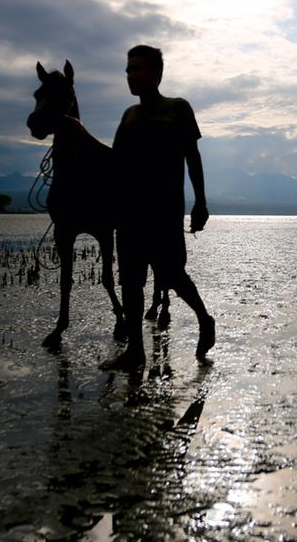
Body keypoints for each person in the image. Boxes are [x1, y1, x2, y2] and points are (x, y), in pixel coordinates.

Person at [100, 44, 215, 370]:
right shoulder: (129, 115)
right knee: (131, 282)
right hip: (129, 211)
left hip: (163, 211)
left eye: (136, 68)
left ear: (156, 73)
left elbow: (192, 158)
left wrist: (201, 202)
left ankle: (205, 320)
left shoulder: (177, 109)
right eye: (127, 70)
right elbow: (116, 162)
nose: (130, 76)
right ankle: (136, 352)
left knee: (173, 275)